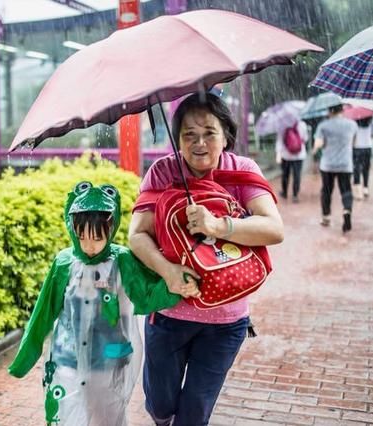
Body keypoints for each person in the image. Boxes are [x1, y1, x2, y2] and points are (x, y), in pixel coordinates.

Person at [128, 93, 284, 426]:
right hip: (169, 312)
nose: (200, 143)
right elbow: (136, 234)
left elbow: (273, 228)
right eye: (189, 134)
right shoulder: (162, 172)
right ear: (178, 140)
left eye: (209, 132)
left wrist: (218, 225)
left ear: (226, 135)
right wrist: (168, 271)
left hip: (227, 322)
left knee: (195, 411)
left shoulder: (242, 171)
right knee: (159, 403)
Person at [8, 181, 180, 426]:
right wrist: (25, 358)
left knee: (106, 415)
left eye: (97, 238)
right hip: (67, 357)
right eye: (82, 236)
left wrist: (178, 284)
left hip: (107, 361)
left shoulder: (122, 260)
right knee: (67, 411)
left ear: (110, 230)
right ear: (71, 228)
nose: (89, 245)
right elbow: (43, 312)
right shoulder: (64, 263)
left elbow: (147, 296)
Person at [311, 103, 358, 232]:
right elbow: (354, 144)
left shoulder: (323, 125)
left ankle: (326, 217)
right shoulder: (352, 125)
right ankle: (347, 210)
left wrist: (315, 150)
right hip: (345, 164)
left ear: (330, 111)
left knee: (326, 191)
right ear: (342, 110)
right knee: (346, 190)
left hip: (328, 165)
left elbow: (318, 144)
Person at [276, 120, 309, 202]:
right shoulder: (302, 124)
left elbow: (279, 141)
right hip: (299, 155)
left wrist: (278, 154)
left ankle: (284, 192)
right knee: (297, 175)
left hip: (286, 155)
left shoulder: (282, 125)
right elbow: (305, 139)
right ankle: (295, 195)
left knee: (285, 174)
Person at [352, 116, 373, 200]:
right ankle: (365, 188)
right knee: (366, 168)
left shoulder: (354, 123)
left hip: (357, 147)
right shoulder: (371, 123)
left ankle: (358, 191)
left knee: (356, 168)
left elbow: (353, 137)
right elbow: (372, 135)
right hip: (368, 147)